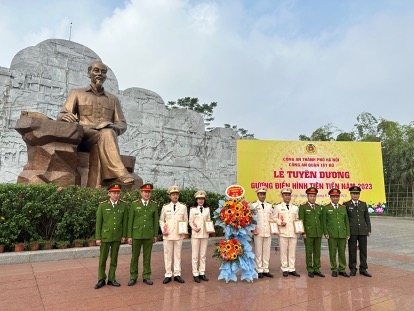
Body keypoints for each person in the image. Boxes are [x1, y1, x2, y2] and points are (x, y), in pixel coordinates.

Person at [57, 60, 134, 186]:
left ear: (106, 76)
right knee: (106, 134)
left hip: (104, 137)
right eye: (96, 71)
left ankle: (94, 190)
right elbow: (62, 113)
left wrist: (113, 127)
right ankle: (120, 174)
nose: (100, 74)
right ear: (89, 74)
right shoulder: (77, 93)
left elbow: (122, 124)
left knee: (105, 135)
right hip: (83, 136)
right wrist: (65, 117)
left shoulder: (113, 99)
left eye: (103, 72)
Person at [94, 183, 128, 289]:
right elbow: (99, 223)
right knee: (103, 258)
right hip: (105, 236)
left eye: (118, 193)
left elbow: (125, 222)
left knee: (114, 258)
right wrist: (98, 237)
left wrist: (124, 235)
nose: (116, 195)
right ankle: (101, 279)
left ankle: (112, 278)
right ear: (109, 194)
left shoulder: (123, 205)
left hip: (117, 236)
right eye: (114, 193)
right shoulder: (103, 205)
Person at [127, 183, 159, 286]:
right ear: (141, 193)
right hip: (136, 234)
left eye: (149, 192)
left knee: (147, 257)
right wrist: (129, 236)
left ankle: (146, 276)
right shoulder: (134, 204)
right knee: (134, 257)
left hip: (148, 234)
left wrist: (155, 235)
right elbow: (130, 221)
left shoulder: (153, 205)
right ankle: (133, 276)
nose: (147, 194)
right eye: (145, 192)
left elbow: (155, 221)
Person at [159, 185, 188, 284]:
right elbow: (161, 220)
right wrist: (164, 229)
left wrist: (184, 231)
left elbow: (185, 220)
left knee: (177, 255)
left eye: (176, 194)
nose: (175, 196)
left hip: (179, 235)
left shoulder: (183, 207)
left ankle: (177, 274)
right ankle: (168, 274)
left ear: (178, 196)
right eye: (173, 195)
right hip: (168, 235)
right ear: (170, 196)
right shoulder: (165, 207)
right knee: (167, 255)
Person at [344, 186, 372, 277]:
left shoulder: (363, 204)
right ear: (350, 194)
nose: (355, 195)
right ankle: (352, 269)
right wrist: (347, 231)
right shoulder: (346, 204)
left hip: (363, 231)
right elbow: (345, 219)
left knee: (363, 250)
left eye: (357, 194)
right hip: (352, 231)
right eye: (353, 193)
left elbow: (367, 217)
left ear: (359, 194)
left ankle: (363, 268)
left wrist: (369, 229)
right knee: (352, 251)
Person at [322, 188, 350, 277]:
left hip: (342, 233)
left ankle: (342, 269)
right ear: (330, 197)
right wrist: (325, 232)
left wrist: (348, 233)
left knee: (342, 252)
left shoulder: (343, 208)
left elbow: (346, 222)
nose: (335, 198)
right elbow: (324, 222)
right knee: (333, 252)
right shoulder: (326, 208)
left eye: (337, 196)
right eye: (333, 197)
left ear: (339, 197)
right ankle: (334, 268)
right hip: (332, 234)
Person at [298, 187, 325, 278]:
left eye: (314, 196)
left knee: (317, 252)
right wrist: (303, 233)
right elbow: (301, 220)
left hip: (318, 233)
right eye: (311, 196)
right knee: (309, 252)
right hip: (308, 234)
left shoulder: (318, 207)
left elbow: (321, 220)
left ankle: (317, 269)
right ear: (307, 197)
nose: (312, 198)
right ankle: (310, 269)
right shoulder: (303, 207)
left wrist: (321, 231)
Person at [274, 187, 300, 277]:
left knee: (292, 252)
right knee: (283, 252)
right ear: (282, 196)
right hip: (283, 232)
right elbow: (274, 218)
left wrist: (299, 228)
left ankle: (292, 268)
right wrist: (280, 223)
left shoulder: (295, 208)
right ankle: (285, 268)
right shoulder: (278, 207)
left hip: (293, 232)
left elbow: (297, 219)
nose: (287, 197)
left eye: (289, 195)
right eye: (285, 195)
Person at [251, 186, 274, 278]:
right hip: (258, 231)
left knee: (267, 252)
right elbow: (251, 219)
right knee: (259, 251)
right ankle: (259, 269)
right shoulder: (253, 205)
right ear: (257, 195)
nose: (262, 196)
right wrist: (253, 229)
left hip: (267, 231)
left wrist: (278, 223)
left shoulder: (269, 205)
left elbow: (272, 218)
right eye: (261, 194)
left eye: (264, 194)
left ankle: (266, 269)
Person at [189, 190, 211, 283]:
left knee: (203, 255)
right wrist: (194, 228)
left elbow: (209, 220)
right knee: (195, 255)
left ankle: (202, 272)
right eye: (199, 199)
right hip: (196, 234)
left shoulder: (207, 209)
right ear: (196, 200)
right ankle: (195, 273)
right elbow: (190, 221)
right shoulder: (193, 209)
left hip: (205, 234)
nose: (201, 201)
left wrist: (210, 228)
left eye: (202, 199)